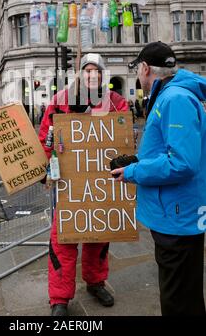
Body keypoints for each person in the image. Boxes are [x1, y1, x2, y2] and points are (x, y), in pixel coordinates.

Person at [111, 41, 206, 316]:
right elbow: (169, 151)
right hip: (175, 212)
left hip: (176, 216)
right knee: (183, 294)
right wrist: (139, 162)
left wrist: (133, 172)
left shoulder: (174, 99)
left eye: (137, 69)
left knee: (178, 301)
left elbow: (181, 162)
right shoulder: (172, 95)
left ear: (144, 68)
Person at [39, 53, 128, 316]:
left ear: (103, 75)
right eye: (88, 70)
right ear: (81, 73)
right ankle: (59, 299)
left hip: (100, 182)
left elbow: (123, 138)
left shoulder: (115, 103)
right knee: (63, 239)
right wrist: (47, 167)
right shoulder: (60, 101)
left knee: (98, 236)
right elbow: (46, 136)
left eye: (97, 71)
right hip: (67, 182)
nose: (93, 75)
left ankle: (95, 282)